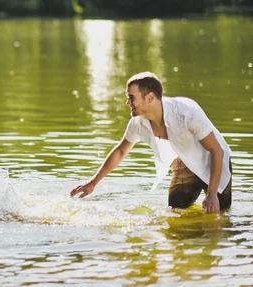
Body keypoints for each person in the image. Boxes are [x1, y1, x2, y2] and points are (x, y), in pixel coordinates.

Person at [70, 72, 232, 213]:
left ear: (150, 98)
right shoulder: (138, 123)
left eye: (131, 97)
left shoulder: (186, 113)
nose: (127, 102)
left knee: (219, 215)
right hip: (184, 163)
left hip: (214, 160)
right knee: (175, 211)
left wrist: (212, 195)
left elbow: (216, 151)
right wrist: (93, 183)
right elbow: (120, 152)